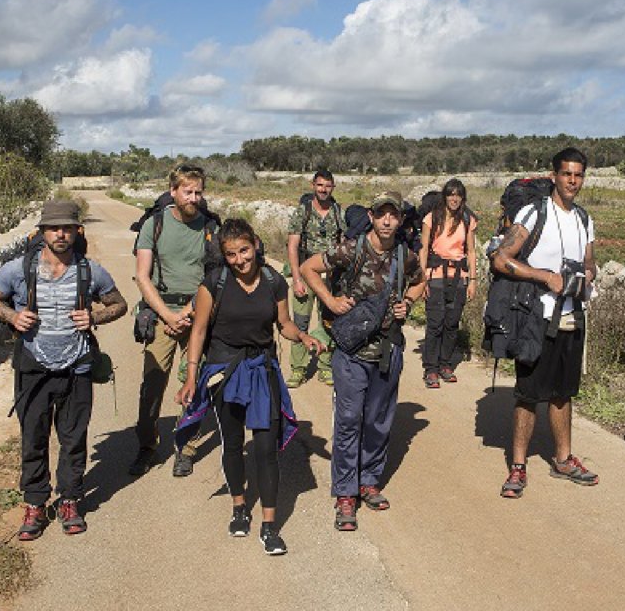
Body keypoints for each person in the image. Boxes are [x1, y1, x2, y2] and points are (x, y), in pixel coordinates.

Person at [0, 200, 128, 540]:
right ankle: (35, 503)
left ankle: (70, 499)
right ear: (42, 232)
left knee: (73, 438)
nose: (61, 234)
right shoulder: (17, 270)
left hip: (77, 365)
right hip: (33, 365)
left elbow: (119, 304)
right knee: (33, 437)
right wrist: (13, 317)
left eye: (67, 228)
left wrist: (95, 317)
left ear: (78, 231)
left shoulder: (91, 271)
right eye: (54, 228)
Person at [174, 219, 324, 555]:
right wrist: (190, 378)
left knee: (266, 449)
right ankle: (239, 507)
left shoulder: (273, 281)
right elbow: (198, 332)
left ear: (255, 244)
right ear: (223, 256)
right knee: (232, 442)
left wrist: (302, 336)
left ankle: (269, 526)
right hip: (225, 371)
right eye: (231, 254)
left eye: (244, 250)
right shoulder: (214, 282)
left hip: (262, 370)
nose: (240, 260)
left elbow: (283, 324)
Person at [300, 191, 425, 531]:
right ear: (371, 216)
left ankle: (368, 481)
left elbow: (420, 282)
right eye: (381, 214)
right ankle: (345, 493)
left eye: (393, 215)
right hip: (352, 352)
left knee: (379, 421)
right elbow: (308, 267)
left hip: (387, 350)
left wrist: (408, 304)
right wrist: (330, 299)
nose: (387, 221)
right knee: (349, 420)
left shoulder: (405, 255)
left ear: (400, 220)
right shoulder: (351, 249)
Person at [492, 148, 599, 498]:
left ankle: (564, 458)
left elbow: (590, 262)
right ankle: (518, 466)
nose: (572, 181)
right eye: (566, 174)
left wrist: (585, 276)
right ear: (553, 176)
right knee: (528, 395)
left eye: (578, 175)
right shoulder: (533, 212)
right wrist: (545, 277)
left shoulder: (584, 219)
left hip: (571, 316)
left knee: (563, 393)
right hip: (536, 317)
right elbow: (500, 259)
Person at [128, 165, 216, 478]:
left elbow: (214, 277)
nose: (194, 197)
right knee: (152, 384)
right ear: (174, 191)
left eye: (198, 192)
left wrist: (190, 312)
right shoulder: (155, 224)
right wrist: (167, 315)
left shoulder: (210, 227)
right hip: (161, 313)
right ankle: (146, 446)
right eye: (188, 191)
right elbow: (142, 275)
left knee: (194, 383)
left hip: (197, 313)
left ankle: (186, 447)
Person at [284, 169, 345, 387]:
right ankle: (298, 368)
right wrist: (297, 277)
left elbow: (344, 242)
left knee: (328, 321)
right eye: (320, 185)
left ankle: (325, 366)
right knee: (300, 321)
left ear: (333, 187)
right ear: (313, 185)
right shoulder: (303, 211)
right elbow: (292, 245)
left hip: (329, 276)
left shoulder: (338, 212)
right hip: (305, 272)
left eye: (328, 186)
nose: (324, 189)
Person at [417, 178, 478, 388]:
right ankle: (431, 368)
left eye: (458, 194)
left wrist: (473, 279)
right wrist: (422, 279)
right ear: (444, 197)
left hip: (458, 276)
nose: (454, 198)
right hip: (435, 275)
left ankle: (445, 364)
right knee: (435, 323)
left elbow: (470, 251)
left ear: (463, 198)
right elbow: (423, 249)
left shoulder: (467, 220)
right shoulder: (431, 218)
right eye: (451, 194)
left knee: (452, 323)